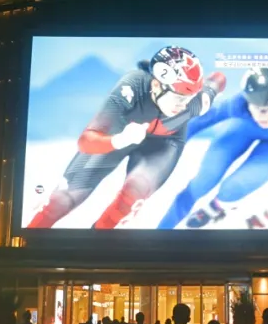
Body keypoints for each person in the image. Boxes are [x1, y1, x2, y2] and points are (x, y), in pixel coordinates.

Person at [25, 46, 225, 229]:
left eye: (190, 98)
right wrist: (118, 140)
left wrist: (213, 82)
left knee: (132, 194)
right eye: (179, 97)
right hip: (119, 135)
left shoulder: (196, 102)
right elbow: (85, 142)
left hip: (163, 145)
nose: (184, 105)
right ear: (156, 84)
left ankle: (94, 248)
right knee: (61, 200)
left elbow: (217, 81)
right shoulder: (131, 88)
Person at [158, 66, 268, 229]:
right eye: (255, 106)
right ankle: (161, 231)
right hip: (245, 127)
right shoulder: (238, 104)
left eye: (267, 109)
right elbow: (198, 122)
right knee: (202, 182)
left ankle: (216, 207)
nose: (261, 115)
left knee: (234, 188)